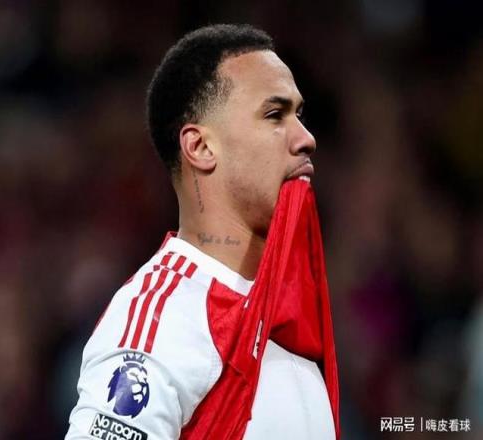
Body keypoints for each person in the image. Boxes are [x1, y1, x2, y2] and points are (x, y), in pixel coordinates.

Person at [66, 24, 338, 440]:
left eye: (298, 115)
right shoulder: (163, 322)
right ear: (201, 147)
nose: (306, 139)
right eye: (274, 115)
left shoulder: (290, 319)